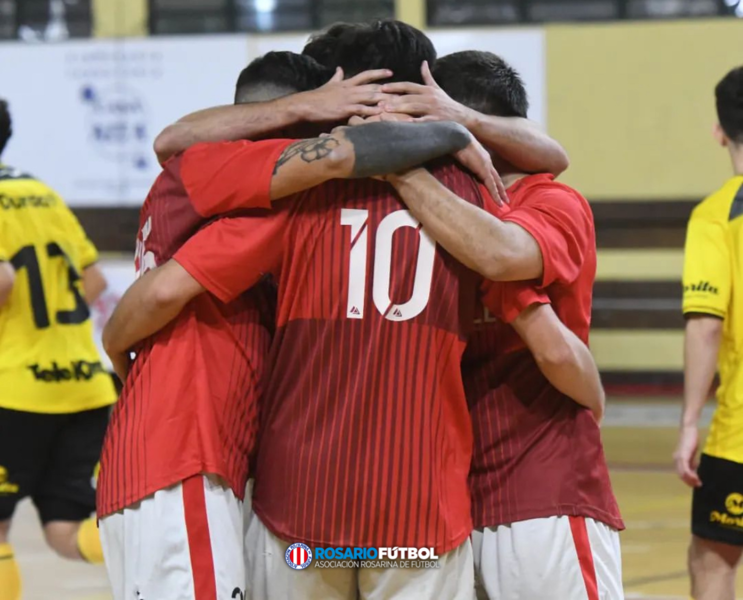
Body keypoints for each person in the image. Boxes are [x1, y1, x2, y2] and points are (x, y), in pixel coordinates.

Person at [104, 23, 600, 600]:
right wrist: (455, 136)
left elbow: (175, 150)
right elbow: (540, 208)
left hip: (299, 516)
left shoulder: (290, 194)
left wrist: (117, 349)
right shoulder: (476, 202)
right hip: (420, 518)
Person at [380, 51, 624, 599]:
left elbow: (506, 255)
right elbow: (561, 357)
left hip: (540, 489)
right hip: (453, 505)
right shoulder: (430, 209)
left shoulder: (548, 199)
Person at [0, 99, 116, 600]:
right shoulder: (39, 191)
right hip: (84, 387)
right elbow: (93, 281)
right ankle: (150, 543)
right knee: (65, 533)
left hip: (14, 390)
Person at [675, 65, 743, 600]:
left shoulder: (717, 216)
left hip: (738, 436)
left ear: (720, 131)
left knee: (712, 559)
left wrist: (689, 423)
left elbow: (705, 325)